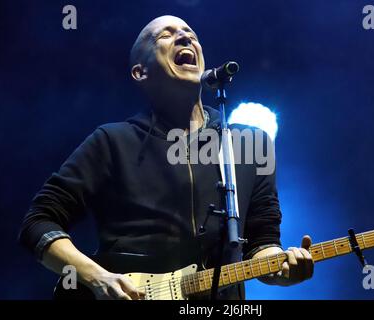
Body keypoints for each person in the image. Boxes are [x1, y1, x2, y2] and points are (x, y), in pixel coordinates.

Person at [18, 15, 313, 300]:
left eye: (190, 34)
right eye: (166, 34)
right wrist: (98, 277)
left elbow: (262, 244)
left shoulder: (250, 143)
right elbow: (39, 222)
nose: (185, 36)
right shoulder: (112, 141)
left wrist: (283, 268)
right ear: (140, 72)